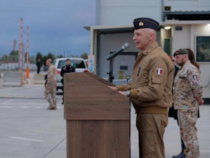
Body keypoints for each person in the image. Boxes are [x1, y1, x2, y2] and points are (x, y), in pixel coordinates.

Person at [109, 17, 175, 158]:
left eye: (138, 34)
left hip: (153, 114)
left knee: (152, 154)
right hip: (146, 113)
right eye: (134, 34)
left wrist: (127, 93)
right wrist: (118, 89)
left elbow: (155, 91)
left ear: (151, 36)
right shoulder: (146, 56)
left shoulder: (156, 58)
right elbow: (138, 84)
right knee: (147, 153)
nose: (134, 38)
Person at [173, 49, 204, 158]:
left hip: (188, 108)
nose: (175, 60)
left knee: (190, 135)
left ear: (185, 57)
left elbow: (197, 87)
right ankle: (188, 154)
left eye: (177, 58)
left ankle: (194, 156)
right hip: (181, 107)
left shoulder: (191, 69)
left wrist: (198, 98)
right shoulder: (182, 69)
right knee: (185, 135)